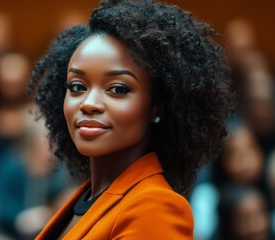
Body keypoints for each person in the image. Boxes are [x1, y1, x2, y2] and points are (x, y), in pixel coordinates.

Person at [28, 0, 233, 239]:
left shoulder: (156, 207)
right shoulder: (87, 198)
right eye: (77, 86)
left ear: (158, 106)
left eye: (118, 89)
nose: (88, 103)